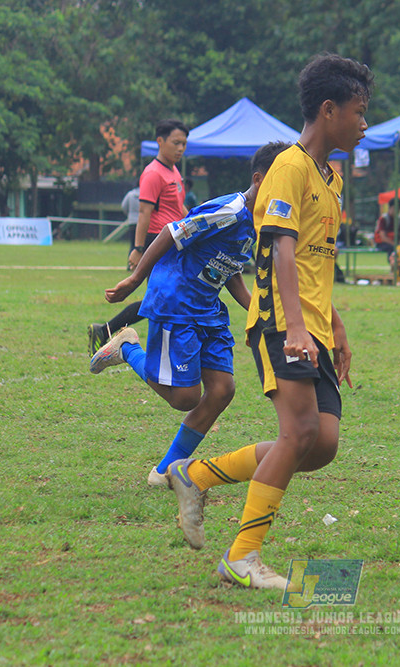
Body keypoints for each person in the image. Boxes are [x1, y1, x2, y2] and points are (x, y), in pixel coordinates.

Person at [163, 53, 371, 590]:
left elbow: (313, 260)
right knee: (299, 432)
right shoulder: (290, 166)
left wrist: (335, 324)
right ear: (329, 110)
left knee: (320, 444)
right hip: (282, 322)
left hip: (314, 324)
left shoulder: (332, 179)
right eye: (358, 111)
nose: (364, 123)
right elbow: (279, 249)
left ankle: (197, 473)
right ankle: (244, 555)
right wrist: (297, 327)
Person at [89, 142, 289, 485]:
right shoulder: (230, 210)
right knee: (185, 399)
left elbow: (230, 270)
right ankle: (125, 347)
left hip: (208, 308)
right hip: (176, 301)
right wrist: (136, 278)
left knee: (223, 390)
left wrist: (260, 309)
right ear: (259, 180)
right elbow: (172, 231)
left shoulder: (259, 223)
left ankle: (166, 470)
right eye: (281, 184)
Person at [87, 119, 189, 354]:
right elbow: (144, 213)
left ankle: (105, 331)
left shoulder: (173, 171)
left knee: (164, 298)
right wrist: (138, 248)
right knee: (162, 298)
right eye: (176, 142)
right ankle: (108, 332)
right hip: (158, 241)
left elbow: (178, 208)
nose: (181, 148)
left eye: (184, 143)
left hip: (175, 243)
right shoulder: (153, 173)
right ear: (160, 141)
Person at [120, 185, 140, 262]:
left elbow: (124, 206)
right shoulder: (146, 194)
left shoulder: (130, 194)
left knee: (132, 244)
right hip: (143, 222)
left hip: (132, 222)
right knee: (141, 245)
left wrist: (129, 214)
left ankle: (130, 264)